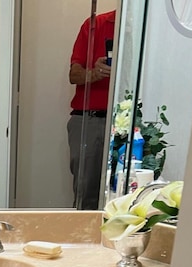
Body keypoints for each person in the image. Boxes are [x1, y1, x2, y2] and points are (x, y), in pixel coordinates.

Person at [67, 9, 116, 209]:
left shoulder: (148, 27)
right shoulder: (95, 24)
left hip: (131, 123)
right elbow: (73, 75)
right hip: (90, 119)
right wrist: (95, 73)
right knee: (85, 193)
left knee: (126, 194)